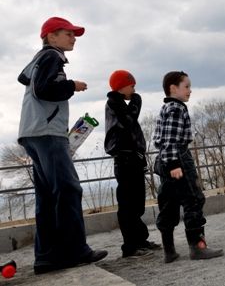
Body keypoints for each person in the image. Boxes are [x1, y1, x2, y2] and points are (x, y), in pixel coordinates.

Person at [17, 17, 108, 274]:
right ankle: (76, 250)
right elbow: (44, 89)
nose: (73, 37)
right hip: (48, 132)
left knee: (47, 195)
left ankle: (47, 257)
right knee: (68, 189)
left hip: (32, 132)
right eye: (68, 33)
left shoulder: (39, 59)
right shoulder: (52, 56)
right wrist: (72, 85)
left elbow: (34, 86)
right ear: (51, 36)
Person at [152, 71, 223, 263]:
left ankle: (169, 251)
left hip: (164, 159)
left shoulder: (166, 107)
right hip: (178, 159)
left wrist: (168, 162)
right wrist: (174, 164)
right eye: (187, 86)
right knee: (193, 200)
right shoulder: (176, 108)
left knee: (169, 203)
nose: (190, 90)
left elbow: (162, 140)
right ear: (173, 88)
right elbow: (171, 139)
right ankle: (198, 247)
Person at [104, 70, 161, 258]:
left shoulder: (120, 103)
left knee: (137, 203)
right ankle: (130, 246)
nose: (134, 90)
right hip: (124, 159)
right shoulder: (114, 102)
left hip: (134, 158)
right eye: (132, 86)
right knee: (128, 204)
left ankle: (140, 240)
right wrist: (136, 102)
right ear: (122, 86)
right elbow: (129, 120)